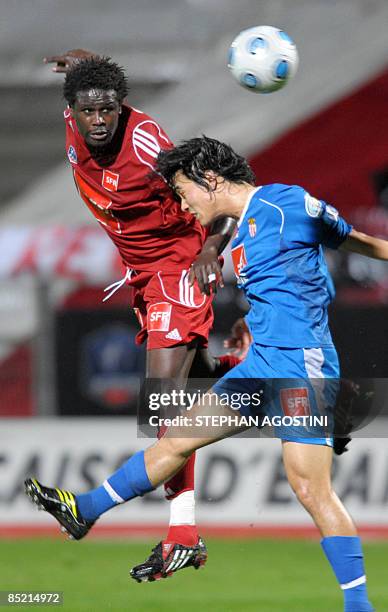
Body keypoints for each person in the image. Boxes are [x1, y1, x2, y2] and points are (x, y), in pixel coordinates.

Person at [24, 135, 382, 609]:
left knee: (309, 488)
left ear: (209, 180)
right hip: (260, 365)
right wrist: (247, 325)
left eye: (184, 190)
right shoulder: (237, 237)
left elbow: (349, 239)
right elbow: (279, 289)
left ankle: (359, 605)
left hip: (302, 366)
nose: (183, 202)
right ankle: (86, 510)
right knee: (175, 440)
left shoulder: (287, 204)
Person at [25, 52, 241, 582]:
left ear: (121, 107)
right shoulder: (80, 111)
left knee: (161, 404)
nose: (98, 121)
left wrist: (212, 246)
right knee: (192, 398)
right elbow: (88, 83)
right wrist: (90, 62)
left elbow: (227, 197)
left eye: (108, 110)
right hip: (142, 274)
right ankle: (258, 382)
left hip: (178, 268)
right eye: (88, 111)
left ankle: (170, 529)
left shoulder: (147, 145)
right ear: (71, 109)